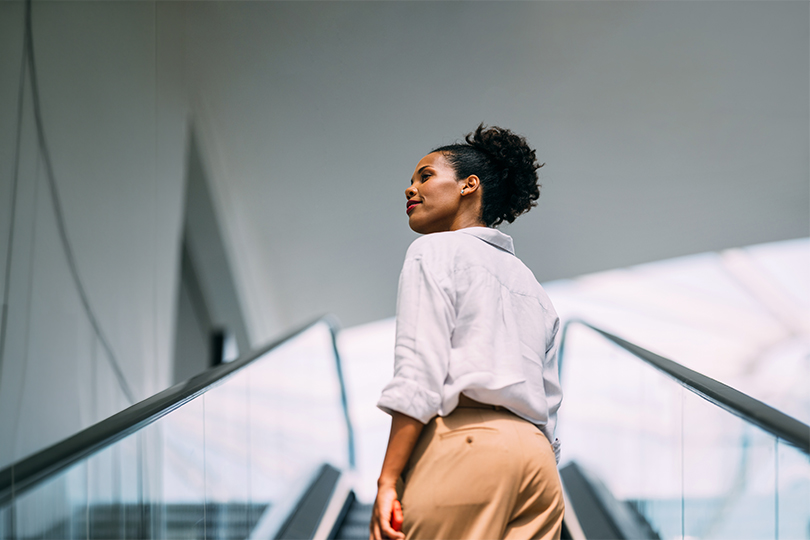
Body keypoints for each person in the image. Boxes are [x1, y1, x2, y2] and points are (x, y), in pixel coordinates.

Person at [370, 125, 564, 540]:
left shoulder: (435, 250)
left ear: (468, 186)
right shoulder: (534, 289)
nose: (410, 189)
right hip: (538, 465)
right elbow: (551, 399)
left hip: (466, 446)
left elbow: (420, 372)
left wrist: (388, 480)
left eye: (425, 176)